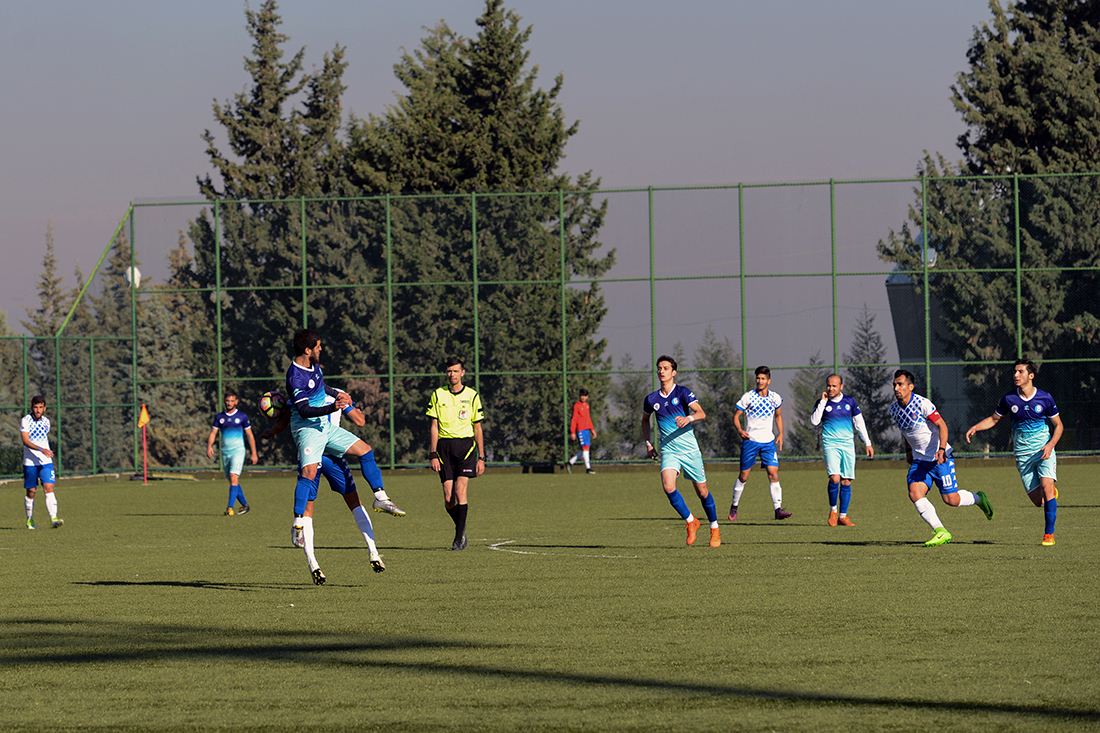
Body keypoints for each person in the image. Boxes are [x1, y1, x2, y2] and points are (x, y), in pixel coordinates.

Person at [285, 329, 389, 584]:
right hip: (311, 435)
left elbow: (328, 391)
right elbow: (302, 410)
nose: (321, 349)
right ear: (307, 350)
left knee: (362, 462)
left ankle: (379, 513)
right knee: (309, 485)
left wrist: (338, 395)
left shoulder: (315, 368)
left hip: (329, 440)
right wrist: (333, 406)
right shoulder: (295, 377)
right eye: (318, 346)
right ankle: (306, 547)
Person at [262, 387, 390, 571]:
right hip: (333, 455)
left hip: (310, 456)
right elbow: (359, 421)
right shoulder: (337, 393)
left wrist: (270, 432)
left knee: (308, 510)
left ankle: (312, 562)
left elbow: (282, 423)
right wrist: (352, 408)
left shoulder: (298, 394)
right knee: (354, 502)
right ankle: (373, 551)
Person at [889, 369, 994, 547]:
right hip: (920, 461)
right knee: (915, 494)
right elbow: (907, 432)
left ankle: (979, 499)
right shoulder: (894, 410)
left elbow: (942, 426)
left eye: (900, 384)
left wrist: (942, 449)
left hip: (940, 458)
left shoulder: (922, 404)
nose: (896, 388)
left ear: (910, 387)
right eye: (894, 385)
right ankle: (941, 531)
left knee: (951, 500)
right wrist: (908, 453)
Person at [965, 359, 1063, 546]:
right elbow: (994, 419)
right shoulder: (1009, 399)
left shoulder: (1045, 398)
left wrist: (1050, 445)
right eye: (1015, 372)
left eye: (1020, 371)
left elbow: (1058, 425)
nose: (1016, 375)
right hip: (1023, 455)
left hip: (1044, 450)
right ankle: (1050, 493)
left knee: (1047, 487)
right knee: (1039, 501)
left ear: (1031, 375)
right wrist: (976, 427)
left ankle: (1049, 534)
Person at [641, 355, 720, 547]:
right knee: (668, 486)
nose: (661, 371)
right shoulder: (651, 399)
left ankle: (714, 528)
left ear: (674, 372)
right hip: (669, 450)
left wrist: (688, 418)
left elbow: (701, 413)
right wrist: (649, 444)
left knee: (702, 492)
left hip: (690, 450)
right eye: (659, 368)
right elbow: (644, 421)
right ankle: (691, 521)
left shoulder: (683, 392)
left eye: (666, 368)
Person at [427, 357, 486, 551]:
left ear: (462, 373)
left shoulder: (472, 395)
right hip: (444, 449)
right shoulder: (438, 394)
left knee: (460, 491)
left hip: (466, 448)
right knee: (448, 498)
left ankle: (458, 539)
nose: (452, 374)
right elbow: (434, 427)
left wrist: (481, 457)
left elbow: (478, 428)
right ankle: (461, 526)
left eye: (455, 371)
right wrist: (433, 454)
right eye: (449, 371)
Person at [810, 374, 874, 526]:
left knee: (846, 481)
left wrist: (867, 442)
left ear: (841, 387)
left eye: (834, 386)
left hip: (847, 445)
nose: (831, 388)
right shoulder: (821, 402)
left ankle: (843, 516)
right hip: (830, 444)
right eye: (828, 386)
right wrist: (823, 402)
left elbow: (859, 422)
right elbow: (814, 421)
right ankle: (833, 511)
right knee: (835, 478)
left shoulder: (850, 401)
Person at [729, 366, 791, 521]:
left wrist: (781, 433)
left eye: (763, 378)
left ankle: (778, 509)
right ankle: (734, 506)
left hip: (768, 442)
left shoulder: (775, 398)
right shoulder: (748, 397)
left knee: (773, 473)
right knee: (744, 476)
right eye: (758, 378)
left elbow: (778, 416)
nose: (760, 381)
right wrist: (740, 430)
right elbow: (736, 416)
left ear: (768, 381)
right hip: (750, 441)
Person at [206, 389, 258, 516]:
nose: (229, 403)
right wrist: (209, 446)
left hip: (238, 451)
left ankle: (230, 507)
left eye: (232, 401)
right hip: (225, 452)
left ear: (236, 401)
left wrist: (254, 453)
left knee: (234, 477)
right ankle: (245, 505)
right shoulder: (219, 417)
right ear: (224, 401)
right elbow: (213, 433)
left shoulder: (242, 417)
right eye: (227, 401)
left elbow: (250, 435)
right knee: (232, 480)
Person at [20, 395, 62, 529]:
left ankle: (53, 519)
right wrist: (41, 449)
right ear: (32, 408)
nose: (38, 410)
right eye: (35, 407)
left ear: (44, 408)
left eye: (40, 407)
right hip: (30, 462)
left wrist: (45, 451)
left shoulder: (46, 422)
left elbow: (43, 438)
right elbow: (25, 441)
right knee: (31, 492)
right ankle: (30, 520)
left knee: (49, 488)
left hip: (45, 461)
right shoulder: (26, 421)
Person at [567, 388, 598, 474]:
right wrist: (573, 432)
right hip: (580, 430)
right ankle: (588, 469)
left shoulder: (587, 405)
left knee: (586, 449)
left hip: (587, 430)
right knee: (585, 448)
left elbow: (588, 418)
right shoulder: (576, 406)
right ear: (579, 396)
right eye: (581, 395)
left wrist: (592, 430)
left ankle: (569, 463)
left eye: (584, 396)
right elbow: (574, 419)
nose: (583, 397)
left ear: (587, 397)